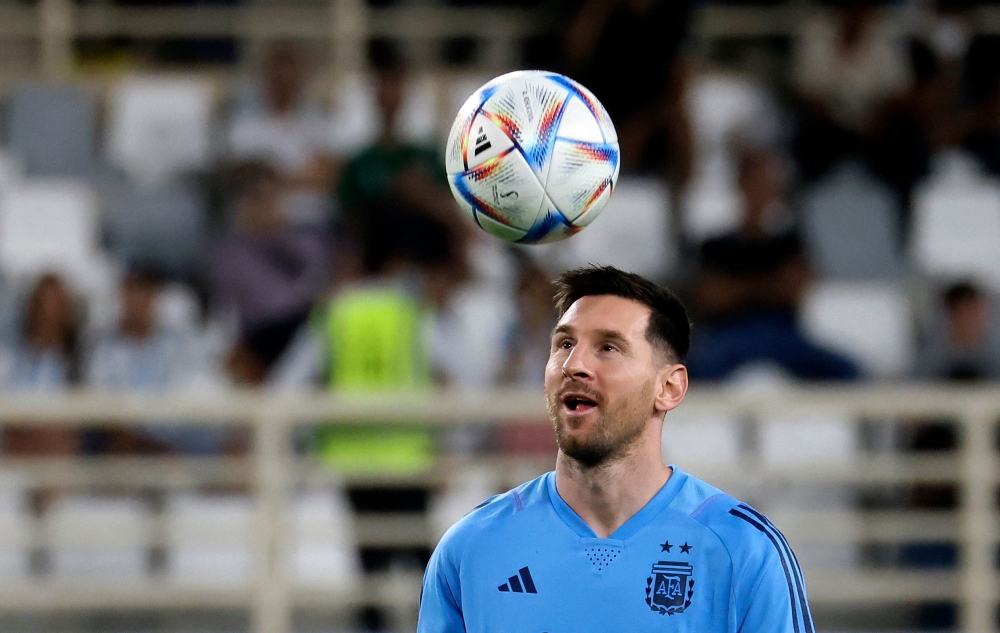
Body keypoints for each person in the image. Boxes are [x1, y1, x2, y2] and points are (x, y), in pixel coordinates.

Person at [418, 266, 814, 632]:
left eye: (608, 347)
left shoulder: (743, 550)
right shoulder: (470, 548)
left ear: (669, 388)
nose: (574, 364)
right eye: (564, 344)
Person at [686, 149, 860, 381]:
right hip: (730, 334)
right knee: (692, 373)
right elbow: (711, 296)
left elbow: (795, 290)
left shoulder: (790, 242)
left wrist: (739, 288)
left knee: (849, 372)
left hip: (782, 334)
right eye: (756, 183)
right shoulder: (716, 245)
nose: (763, 191)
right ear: (742, 186)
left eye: (768, 184)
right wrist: (771, 285)